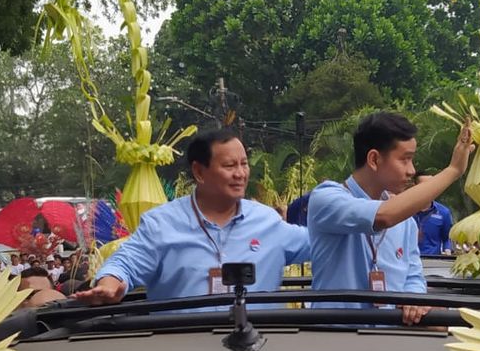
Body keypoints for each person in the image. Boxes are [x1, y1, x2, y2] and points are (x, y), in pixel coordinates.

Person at [76, 128, 311, 305]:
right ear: (199, 171)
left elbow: (321, 244)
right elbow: (123, 263)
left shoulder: (267, 221)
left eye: (244, 164)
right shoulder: (161, 225)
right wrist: (108, 285)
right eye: (229, 166)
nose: (240, 174)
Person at [307, 113, 473, 325]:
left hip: (390, 340)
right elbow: (384, 216)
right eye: (405, 159)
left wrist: (414, 300)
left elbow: (413, 277)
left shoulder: (405, 221)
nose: (412, 170)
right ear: (374, 159)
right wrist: (453, 170)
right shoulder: (326, 199)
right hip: (337, 339)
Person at [411, 174, 454, 256]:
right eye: (425, 186)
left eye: (432, 185)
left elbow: (446, 238)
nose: (429, 189)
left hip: (432, 261)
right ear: (414, 187)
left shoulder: (444, 212)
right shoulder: (405, 210)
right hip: (408, 260)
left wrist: (447, 249)